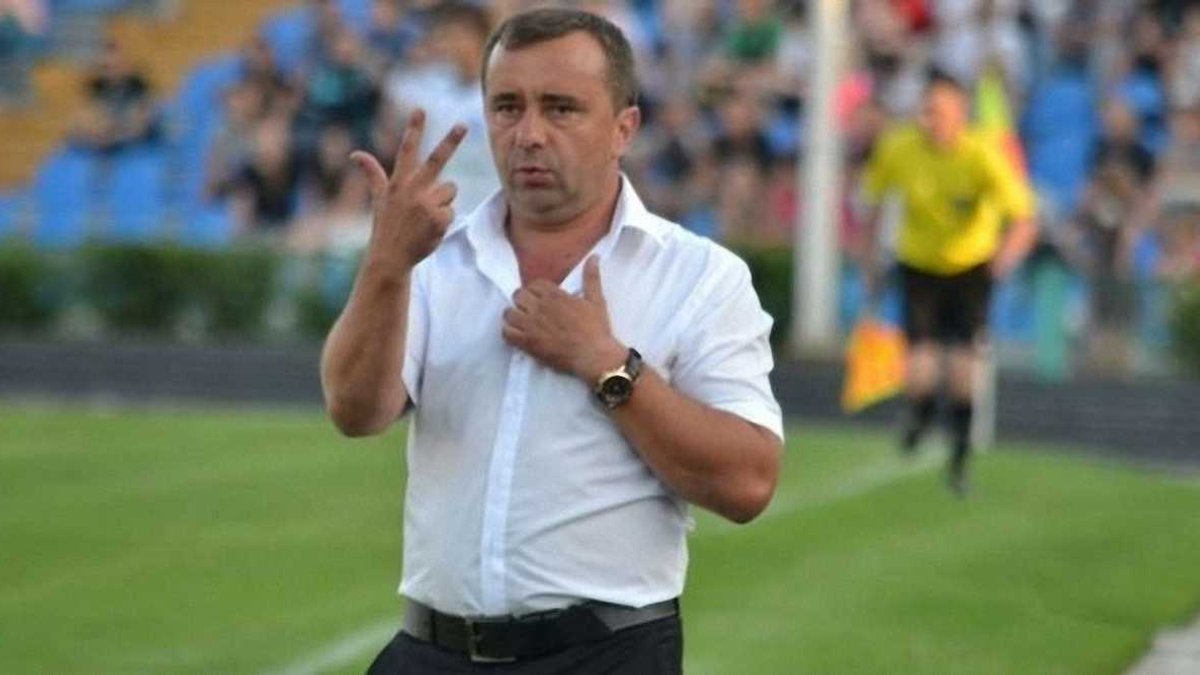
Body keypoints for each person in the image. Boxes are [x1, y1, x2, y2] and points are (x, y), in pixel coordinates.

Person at [320, 8, 783, 673]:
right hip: (431, 650)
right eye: (507, 107)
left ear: (624, 127)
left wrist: (607, 365)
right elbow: (355, 410)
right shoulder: (433, 259)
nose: (529, 133)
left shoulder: (700, 276)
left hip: (606, 654)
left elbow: (748, 481)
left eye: (561, 108)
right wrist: (386, 267)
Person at [860, 71, 1037, 495]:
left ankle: (959, 459)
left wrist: (1003, 261)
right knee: (919, 364)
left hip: (970, 267)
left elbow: (1024, 217)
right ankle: (919, 415)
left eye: (937, 112)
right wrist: (868, 255)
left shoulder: (983, 155)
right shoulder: (899, 148)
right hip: (919, 264)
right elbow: (873, 200)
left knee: (963, 367)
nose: (929, 120)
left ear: (961, 113)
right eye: (925, 111)